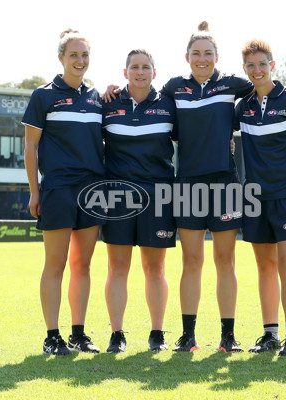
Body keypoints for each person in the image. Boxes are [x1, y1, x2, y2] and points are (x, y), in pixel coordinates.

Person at [159, 22, 286, 353]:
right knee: (191, 261)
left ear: (217, 56)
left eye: (207, 53)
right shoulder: (173, 87)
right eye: (196, 53)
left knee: (225, 261)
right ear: (187, 56)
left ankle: (228, 337)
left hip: (225, 184)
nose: (201, 59)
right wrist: (116, 88)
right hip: (186, 184)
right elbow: (144, 96)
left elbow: (265, 86)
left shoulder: (233, 84)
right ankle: (188, 335)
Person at [22, 28, 105, 356]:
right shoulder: (43, 95)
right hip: (57, 188)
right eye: (74, 55)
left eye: (85, 54)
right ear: (61, 58)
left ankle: (78, 334)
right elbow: (30, 146)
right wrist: (34, 191)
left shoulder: (97, 97)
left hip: (93, 190)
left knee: (82, 265)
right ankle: (51, 336)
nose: (80, 60)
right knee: (55, 265)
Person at [235, 39, 286, 356]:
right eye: (251, 65)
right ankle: (269, 335)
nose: (257, 70)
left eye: (262, 64)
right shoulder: (243, 106)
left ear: (272, 65)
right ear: (245, 69)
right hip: (255, 198)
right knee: (265, 267)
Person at [100, 49, 176, 353]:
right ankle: (116, 334)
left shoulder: (169, 106)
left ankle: (157, 333)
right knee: (117, 268)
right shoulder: (107, 104)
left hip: (160, 197)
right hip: (118, 197)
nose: (140, 72)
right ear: (125, 72)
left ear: (154, 73)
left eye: (146, 67)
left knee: (155, 269)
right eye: (135, 67)